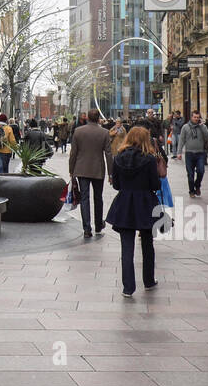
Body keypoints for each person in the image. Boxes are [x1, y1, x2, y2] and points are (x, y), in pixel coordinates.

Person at [107, 125, 162, 297]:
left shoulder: (118, 158)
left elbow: (116, 185)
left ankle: (128, 287)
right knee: (147, 243)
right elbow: (156, 185)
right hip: (145, 203)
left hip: (125, 203)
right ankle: (148, 280)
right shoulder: (150, 160)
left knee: (127, 246)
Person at [68, 108, 113, 238]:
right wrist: (111, 173)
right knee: (98, 198)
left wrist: (71, 170)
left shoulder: (78, 131)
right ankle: (98, 225)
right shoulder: (104, 132)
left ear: (87, 118)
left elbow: (73, 153)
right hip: (98, 169)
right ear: (98, 118)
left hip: (81, 169)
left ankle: (87, 228)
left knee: (84, 198)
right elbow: (108, 154)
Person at [178, 110, 208, 197]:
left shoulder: (202, 126)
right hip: (189, 153)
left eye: (198, 117)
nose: (196, 119)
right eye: (195, 117)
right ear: (191, 117)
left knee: (201, 171)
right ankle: (191, 191)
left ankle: (197, 186)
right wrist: (179, 152)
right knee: (190, 174)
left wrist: (202, 126)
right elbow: (181, 140)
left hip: (200, 153)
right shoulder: (185, 127)